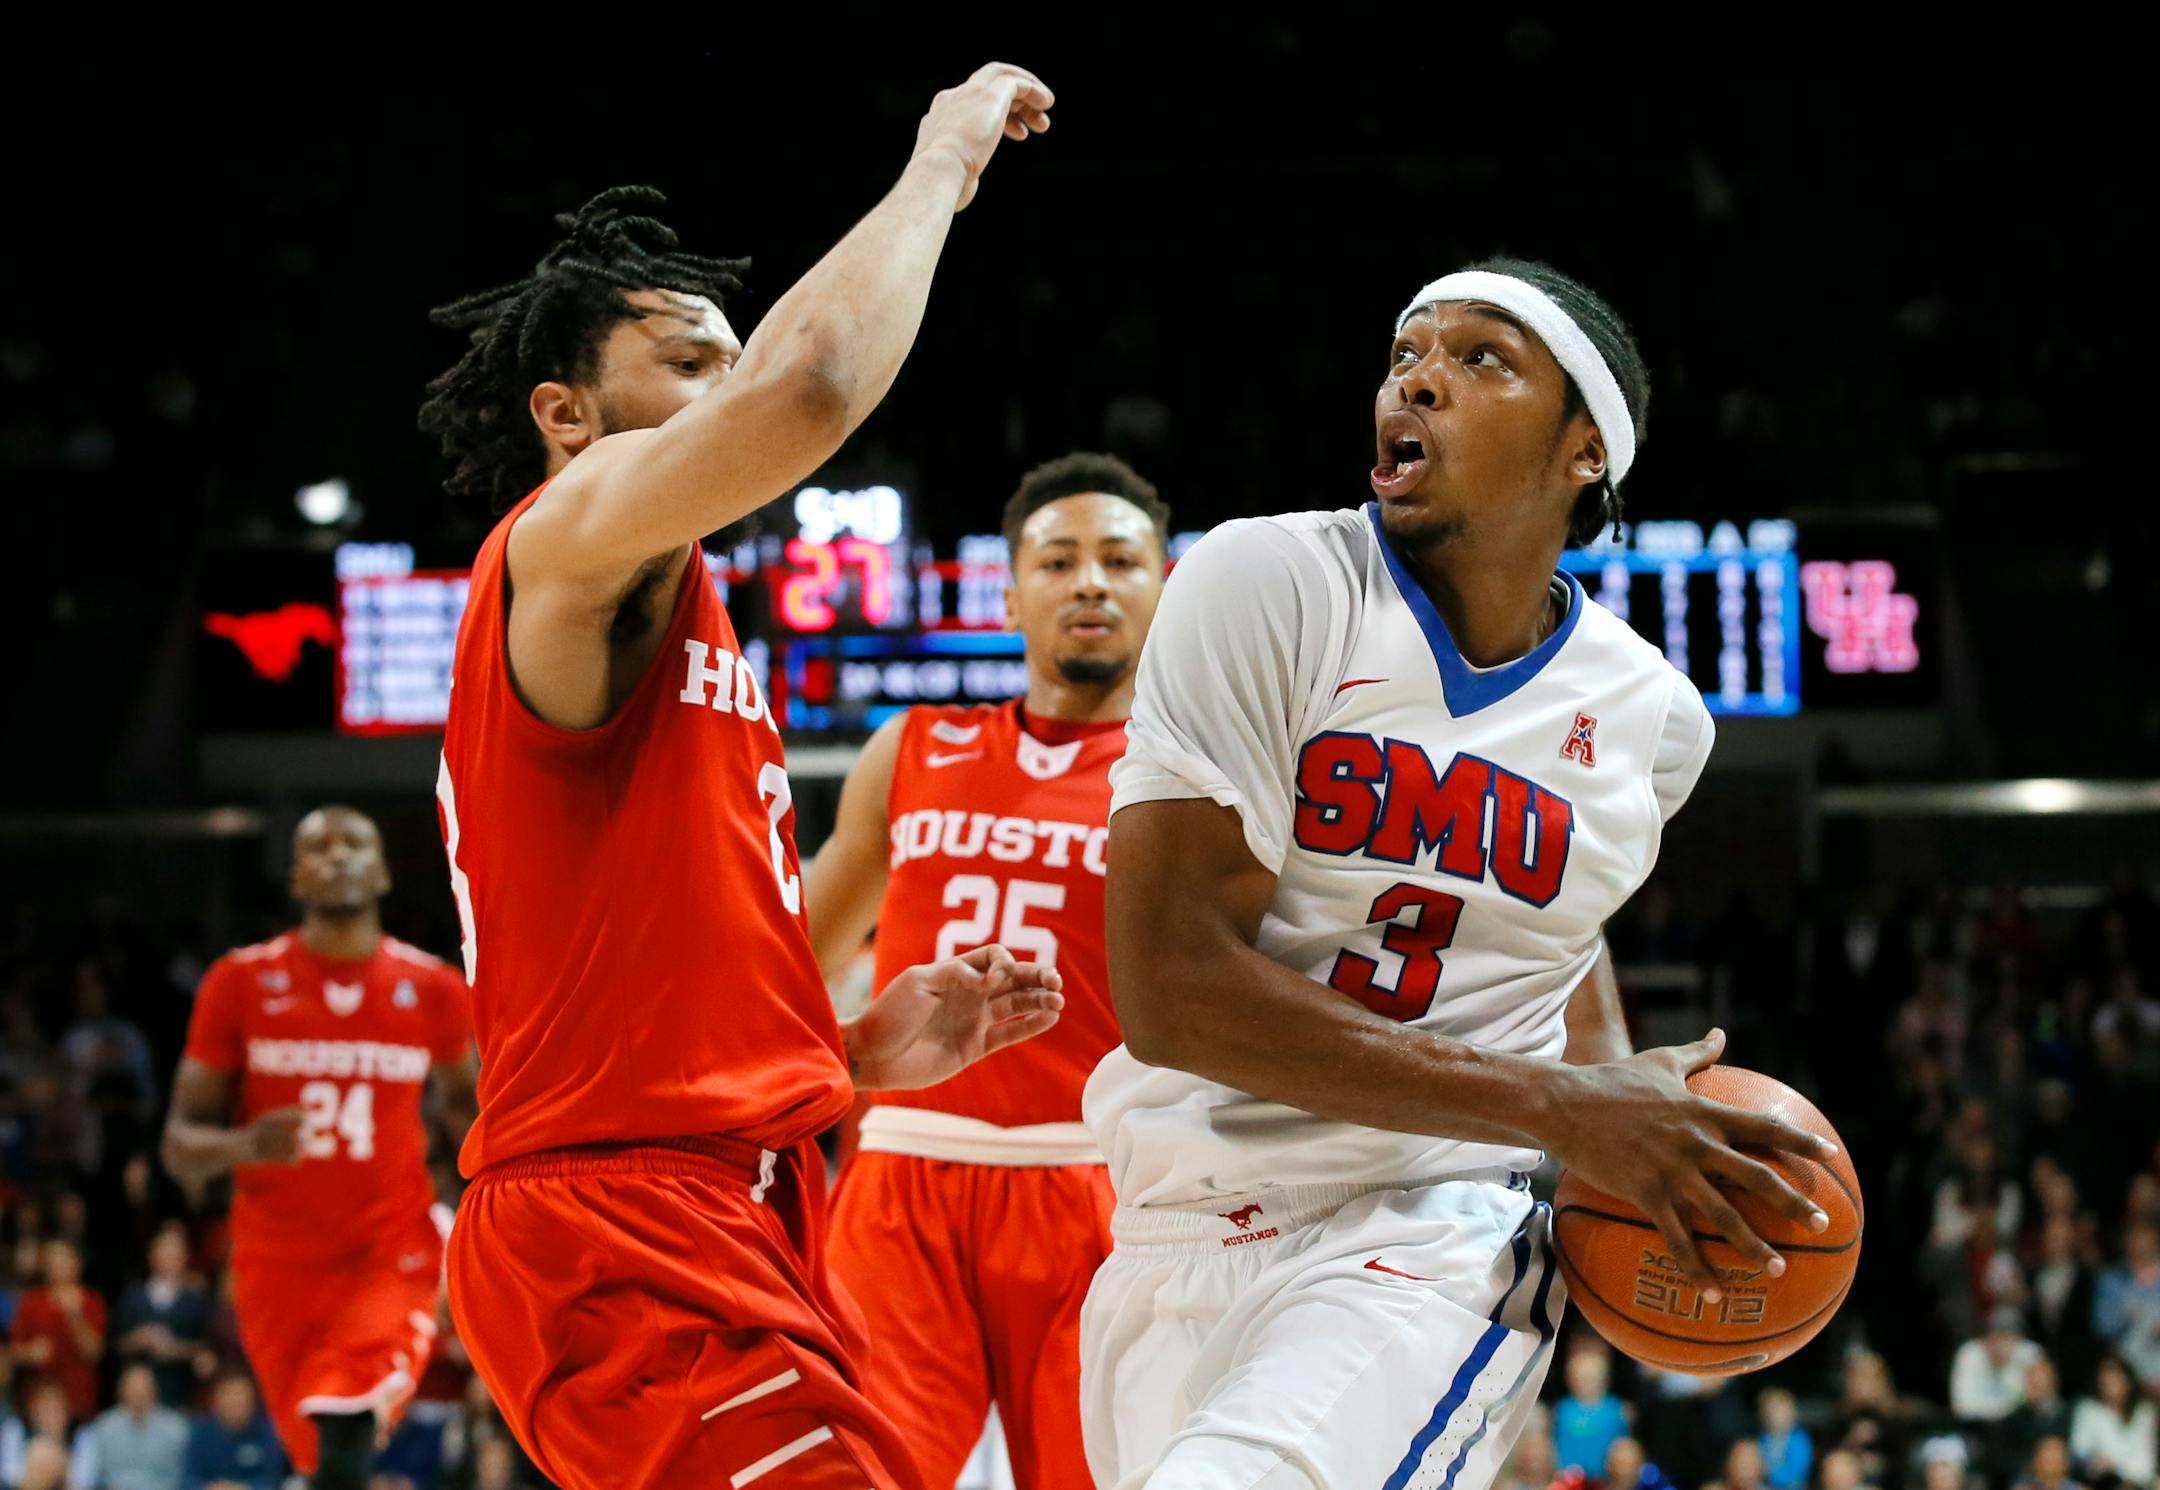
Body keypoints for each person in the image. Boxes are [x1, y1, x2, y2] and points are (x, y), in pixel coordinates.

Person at [1078, 259, 1838, 1490]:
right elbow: (1169, 989)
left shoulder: (1654, 721)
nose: (1418, 376)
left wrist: (1606, 1118)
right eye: (1406, 353)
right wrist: (1573, 1105)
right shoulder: (1269, 584)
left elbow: (1553, 935)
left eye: (1482, 357)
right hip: (1169, 1226)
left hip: (1435, 1231)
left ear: (1584, 450)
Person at [424, 64, 1062, 1490]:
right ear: (567, 412)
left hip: (726, 1200)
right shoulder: (567, 536)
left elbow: (629, 985)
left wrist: (842, 1056)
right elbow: (814, 382)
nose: (729, 388)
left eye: (729, 359)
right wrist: (941, 164)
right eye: (692, 362)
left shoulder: (681, 626)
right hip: (624, 1228)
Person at [803, 451, 1167, 1490]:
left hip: (1102, 1177)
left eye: (1117, 559)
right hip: (905, 1170)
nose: (1089, 580)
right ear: (1012, 592)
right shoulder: (913, 744)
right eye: (1058, 560)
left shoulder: (1193, 775)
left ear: (1161, 587)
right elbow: (794, 965)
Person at [162, 807, 476, 1489]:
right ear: (296, 875)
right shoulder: (239, 982)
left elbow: (475, 1115)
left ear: (384, 870)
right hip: (277, 1260)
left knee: (347, 1418)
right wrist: (243, 1143)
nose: (339, 856)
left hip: (391, 1248)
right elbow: (179, 1146)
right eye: (320, 847)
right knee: (317, 1456)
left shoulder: (433, 989)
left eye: (354, 844)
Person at [111, 1225, 212, 1409]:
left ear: (185, 1258)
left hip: (180, 1396)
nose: (169, 1258)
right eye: (164, 1250)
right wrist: (140, 1338)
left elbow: (206, 1349)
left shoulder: (196, 1301)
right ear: (152, 1255)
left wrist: (174, 1349)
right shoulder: (133, 1298)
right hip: (136, 1401)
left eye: (175, 1252)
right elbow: (115, 1345)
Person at [8, 1238, 106, 1420]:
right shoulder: (31, 1302)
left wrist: (75, 1316)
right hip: (36, 1406)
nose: (58, 1264)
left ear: (77, 1263)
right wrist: (29, 1353)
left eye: (64, 1258)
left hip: (79, 1405)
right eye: (52, 1259)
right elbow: (11, 1353)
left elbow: (94, 1353)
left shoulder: (92, 1301)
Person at [80, 1362, 188, 1490]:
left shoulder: (176, 1428)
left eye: (143, 1387)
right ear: (121, 1392)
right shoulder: (104, 1426)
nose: (138, 1393)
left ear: (154, 1391)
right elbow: (91, 1473)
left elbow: (183, 1475)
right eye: (132, 1387)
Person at [181, 1375, 285, 1490]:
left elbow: (274, 1478)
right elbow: (188, 1479)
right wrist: (208, 1487)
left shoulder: (269, 1431)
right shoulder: (200, 1431)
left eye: (241, 1400)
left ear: (253, 1402)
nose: (235, 1403)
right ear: (216, 1401)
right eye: (229, 1398)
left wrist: (244, 1488)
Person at [2070, 1355, 2156, 1490]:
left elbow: (2147, 1459)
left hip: (2140, 1482)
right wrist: (2093, 1461)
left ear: (2128, 1382)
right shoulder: (2088, 1410)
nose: (2111, 1386)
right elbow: (2079, 1449)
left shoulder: (2145, 1412)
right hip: (2104, 1482)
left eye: (2117, 1380)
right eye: (2106, 1382)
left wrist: (2125, 1472)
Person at [1953, 1307, 2047, 1425]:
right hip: (1979, 1428)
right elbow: (1963, 1409)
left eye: (2009, 1338)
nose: (2002, 1345)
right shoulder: (1969, 1354)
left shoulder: (2030, 1354)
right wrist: (2007, 1409)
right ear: (1986, 1338)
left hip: (2018, 1426)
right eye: (1998, 1337)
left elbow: (2043, 1403)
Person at [1553, 1340, 1631, 1478]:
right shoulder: (1562, 1409)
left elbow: (1623, 1447)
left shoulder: (1617, 1409)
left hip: (1606, 1480)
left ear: (1604, 1379)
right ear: (1571, 1379)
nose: (1587, 1383)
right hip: (1567, 1478)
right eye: (1582, 1377)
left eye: (1592, 1377)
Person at [1759, 1387, 1816, 1490]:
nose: (1778, 1416)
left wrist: (1767, 1471)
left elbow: (1797, 1473)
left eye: (1783, 1410)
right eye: (1773, 1411)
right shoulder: (1763, 1438)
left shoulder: (1800, 1440)